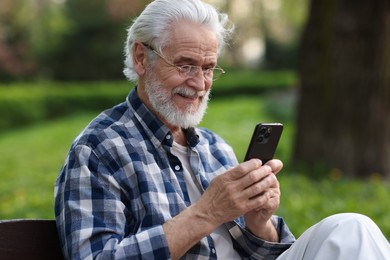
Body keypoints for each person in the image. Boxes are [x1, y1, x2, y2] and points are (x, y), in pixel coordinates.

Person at [54, 0, 390, 259]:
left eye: (209, 68)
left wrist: (261, 223)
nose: (199, 83)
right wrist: (206, 212)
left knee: (352, 228)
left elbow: (266, 252)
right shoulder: (98, 150)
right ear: (142, 58)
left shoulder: (215, 148)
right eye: (185, 65)